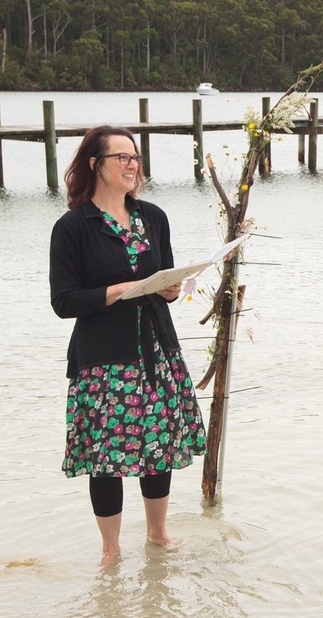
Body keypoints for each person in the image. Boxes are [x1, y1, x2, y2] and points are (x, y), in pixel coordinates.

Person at [49, 126, 208, 565]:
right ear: (95, 164)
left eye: (135, 157)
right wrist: (117, 290)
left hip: (157, 350)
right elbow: (63, 301)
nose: (132, 164)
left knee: (157, 447)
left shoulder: (152, 216)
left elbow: (166, 276)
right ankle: (111, 550)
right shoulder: (72, 227)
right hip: (103, 358)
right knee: (106, 457)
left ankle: (158, 535)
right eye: (121, 157)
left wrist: (172, 289)